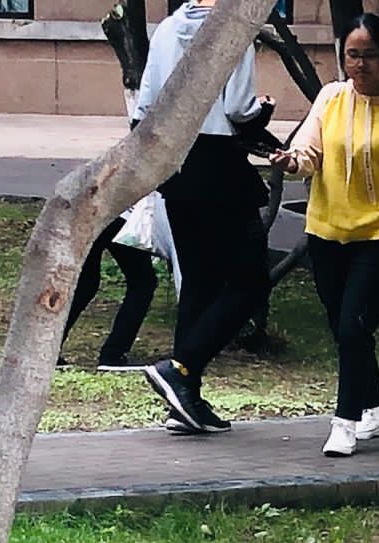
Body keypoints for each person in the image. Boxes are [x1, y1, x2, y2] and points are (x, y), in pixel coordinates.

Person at [271, 12, 379, 457]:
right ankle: (374, 407)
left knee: (352, 326)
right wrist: (292, 162)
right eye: (352, 55)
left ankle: (345, 423)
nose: (360, 65)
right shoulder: (330, 98)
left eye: (369, 56)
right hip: (325, 232)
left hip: (377, 236)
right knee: (346, 330)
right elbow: (309, 151)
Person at [135, 0, 274, 435]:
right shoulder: (234, 29)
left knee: (198, 281)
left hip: (175, 164)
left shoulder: (166, 30)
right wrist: (264, 111)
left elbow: (143, 107)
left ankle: (184, 399)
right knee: (251, 281)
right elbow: (239, 108)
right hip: (219, 166)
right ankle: (181, 367)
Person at [58, 214, 160, 371]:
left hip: (88, 213)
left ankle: (48, 345)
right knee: (142, 282)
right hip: (123, 216)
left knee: (85, 284)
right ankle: (113, 354)